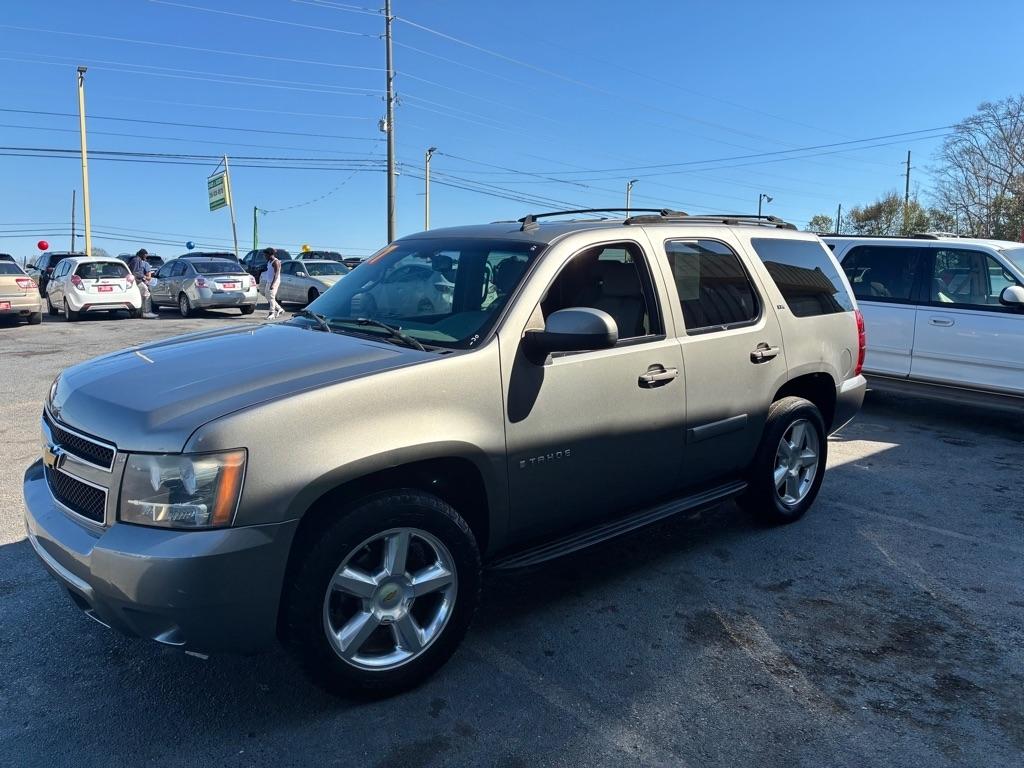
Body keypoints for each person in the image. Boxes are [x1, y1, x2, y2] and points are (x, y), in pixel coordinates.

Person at [128, 248, 159, 319]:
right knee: (147, 294)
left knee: (142, 296)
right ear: (142, 254)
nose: (146, 257)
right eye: (145, 255)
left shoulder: (137, 260)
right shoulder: (136, 260)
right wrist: (143, 277)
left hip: (138, 280)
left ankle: (141, 312)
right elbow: (135, 272)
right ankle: (147, 312)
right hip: (137, 281)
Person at [261, 247, 285, 319]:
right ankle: (279, 309)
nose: (264, 256)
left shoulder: (276, 262)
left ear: (269, 254)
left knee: (271, 297)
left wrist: (273, 284)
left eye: (265, 255)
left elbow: (276, 274)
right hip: (269, 281)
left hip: (274, 281)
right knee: (267, 295)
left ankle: (272, 313)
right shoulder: (269, 261)